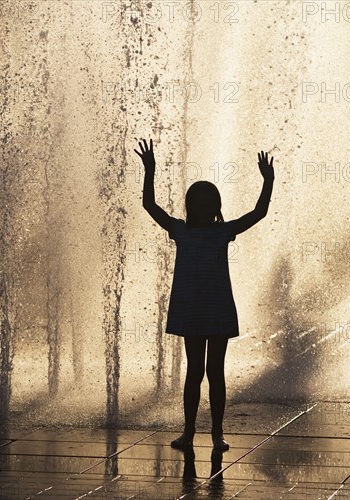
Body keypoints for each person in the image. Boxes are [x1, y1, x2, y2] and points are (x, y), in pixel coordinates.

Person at [134, 138, 274, 451]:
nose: (204, 206)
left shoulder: (224, 231)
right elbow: (149, 206)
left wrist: (268, 181)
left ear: (216, 206)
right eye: (199, 201)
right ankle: (188, 432)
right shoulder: (180, 230)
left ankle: (216, 433)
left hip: (218, 307)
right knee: (195, 371)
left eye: (209, 202)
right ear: (191, 205)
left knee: (215, 372)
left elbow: (259, 213)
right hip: (192, 308)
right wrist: (150, 170)